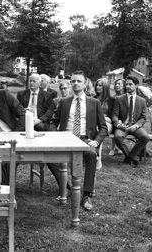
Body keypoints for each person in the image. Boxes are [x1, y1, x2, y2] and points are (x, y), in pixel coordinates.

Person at [49, 70, 108, 211]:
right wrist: (55, 135)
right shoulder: (63, 102)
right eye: (73, 81)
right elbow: (53, 121)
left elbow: (104, 127)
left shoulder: (94, 103)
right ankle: (68, 188)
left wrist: (97, 141)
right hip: (66, 138)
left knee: (92, 155)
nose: (76, 83)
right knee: (49, 157)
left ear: (85, 83)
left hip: (85, 140)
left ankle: (86, 195)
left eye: (79, 81)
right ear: (71, 83)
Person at [112, 75, 150, 167]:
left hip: (135, 125)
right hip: (123, 126)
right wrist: (118, 124)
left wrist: (136, 125)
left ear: (136, 85)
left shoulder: (142, 101)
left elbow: (143, 117)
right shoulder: (119, 99)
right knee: (118, 137)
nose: (127, 86)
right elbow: (114, 115)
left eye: (130, 84)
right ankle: (129, 157)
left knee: (145, 137)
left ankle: (129, 158)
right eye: (126, 84)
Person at [108, 78, 126, 156]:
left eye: (119, 84)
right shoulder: (113, 97)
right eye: (116, 84)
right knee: (114, 126)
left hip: (125, 119)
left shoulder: (126, 97)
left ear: (124, 85)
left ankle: (118, 148)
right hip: (114, 118)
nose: (117, 85)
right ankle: (113, 148)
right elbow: (111, 111)